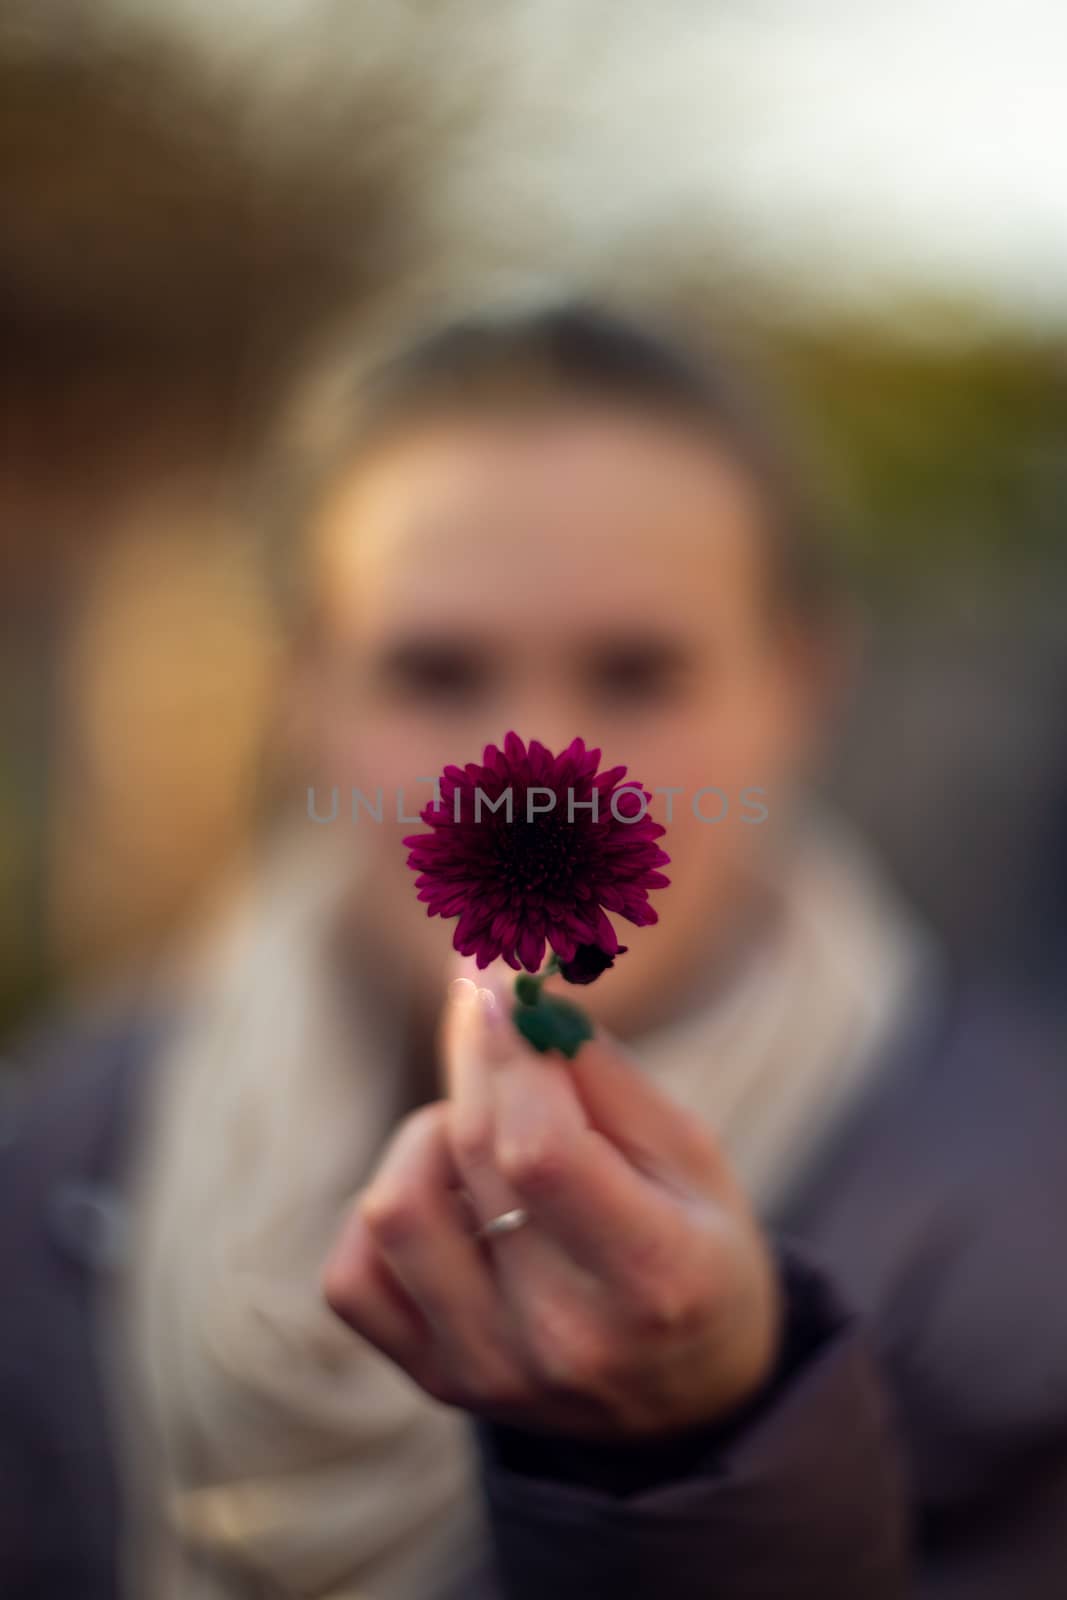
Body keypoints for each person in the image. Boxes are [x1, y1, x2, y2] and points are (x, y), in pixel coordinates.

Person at [1, 303, 1064, 1599]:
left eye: (634, 673)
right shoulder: (59, 1138)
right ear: (305, 693)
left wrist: (700, 1453)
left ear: (800, 683)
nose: (540, 769)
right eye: (439, 672)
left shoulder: (1028, 1224)